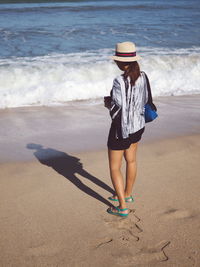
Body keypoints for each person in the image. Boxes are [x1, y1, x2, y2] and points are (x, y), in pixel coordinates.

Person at [104, 41, 157, 217]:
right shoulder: (143, 76)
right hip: (138, 126)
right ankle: (127, 194)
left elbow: (118, 106)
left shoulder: (119, 80)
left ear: (119, 61)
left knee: (114, 167)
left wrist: (107, 103)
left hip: (121, 130)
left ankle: (122, 207)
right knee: (131, 161)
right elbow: (146, 98)